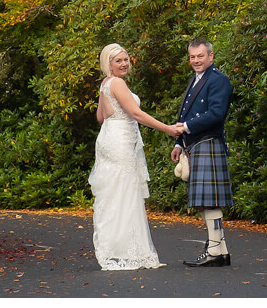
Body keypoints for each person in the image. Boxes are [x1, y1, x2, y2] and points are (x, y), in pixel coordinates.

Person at [89, 43, 181, 270]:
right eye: (118, 60)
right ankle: (129, 251)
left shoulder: (105, 84)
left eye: (126, 59)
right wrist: (168, 129)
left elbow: (101, 116)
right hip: (119, 141)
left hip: (109, 137)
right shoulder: (117, 83)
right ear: (108, 64)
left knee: (115, 192)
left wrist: (112, 112)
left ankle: (118, 248)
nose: (124, 64)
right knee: (125, 192)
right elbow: (136, 113)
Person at [171, 38, 234, 267]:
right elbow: (185, 114)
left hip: (208, 142)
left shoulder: (218, 80)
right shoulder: (196, 79)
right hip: (195, 144)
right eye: (192, 57)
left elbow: (217, 114)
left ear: (211, 56)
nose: (196, 60)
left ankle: (215, 251)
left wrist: (186, 128)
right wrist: (179, 143)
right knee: (204, 201)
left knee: (208, 201)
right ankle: (221, 250)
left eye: (200, 56)